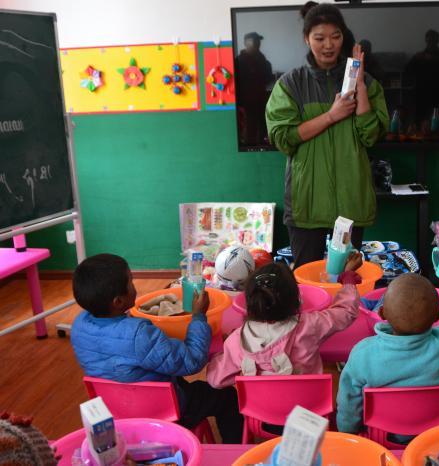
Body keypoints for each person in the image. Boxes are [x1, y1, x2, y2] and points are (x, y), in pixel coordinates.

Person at [69, 254, 243, 443]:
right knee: (227, 396)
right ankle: (233, 451)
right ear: (118, 302)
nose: (133, 287)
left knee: (176, 375)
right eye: (130, 282)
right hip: (161, 410)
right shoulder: (138, 335)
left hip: (116, 408)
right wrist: (199, 316)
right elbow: (192, 361)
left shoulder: (79, 325)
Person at [265, 2, 389, 268]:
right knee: (306, 278)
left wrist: (359, 85)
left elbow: (370, 136)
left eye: (335, 36)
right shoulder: (291, 84)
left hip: (351, 200)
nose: (329, 45)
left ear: (344, 37)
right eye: (319, 38)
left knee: (348, 278)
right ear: (306, 38)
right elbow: (283, 138)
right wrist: (331, 115)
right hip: (307, 203)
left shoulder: (367, 82)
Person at [335, 269, 439, 438]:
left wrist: (349, 433)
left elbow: (349, 402)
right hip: (435, 436)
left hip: (382, 437)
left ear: (381, 313)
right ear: (438, 316)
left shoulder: (363, 353)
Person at [207, 252, 363, 384]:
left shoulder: (237, 340)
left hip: (262, 408)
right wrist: (348, 278)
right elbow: (346, 312)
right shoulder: (309, 325)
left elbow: (215, 379)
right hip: (307, 406)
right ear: (297, 300)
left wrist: (224, 350)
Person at [236, 32, 273, 145]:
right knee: (250, 130)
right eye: (254, 41)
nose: (257, 43)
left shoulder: (262, 60)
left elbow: (267, 78)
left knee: (263, 127)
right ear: (245, 43)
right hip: (246, 103)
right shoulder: (239, 61)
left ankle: (262, 145)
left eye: (258, 41)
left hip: (261, 101)